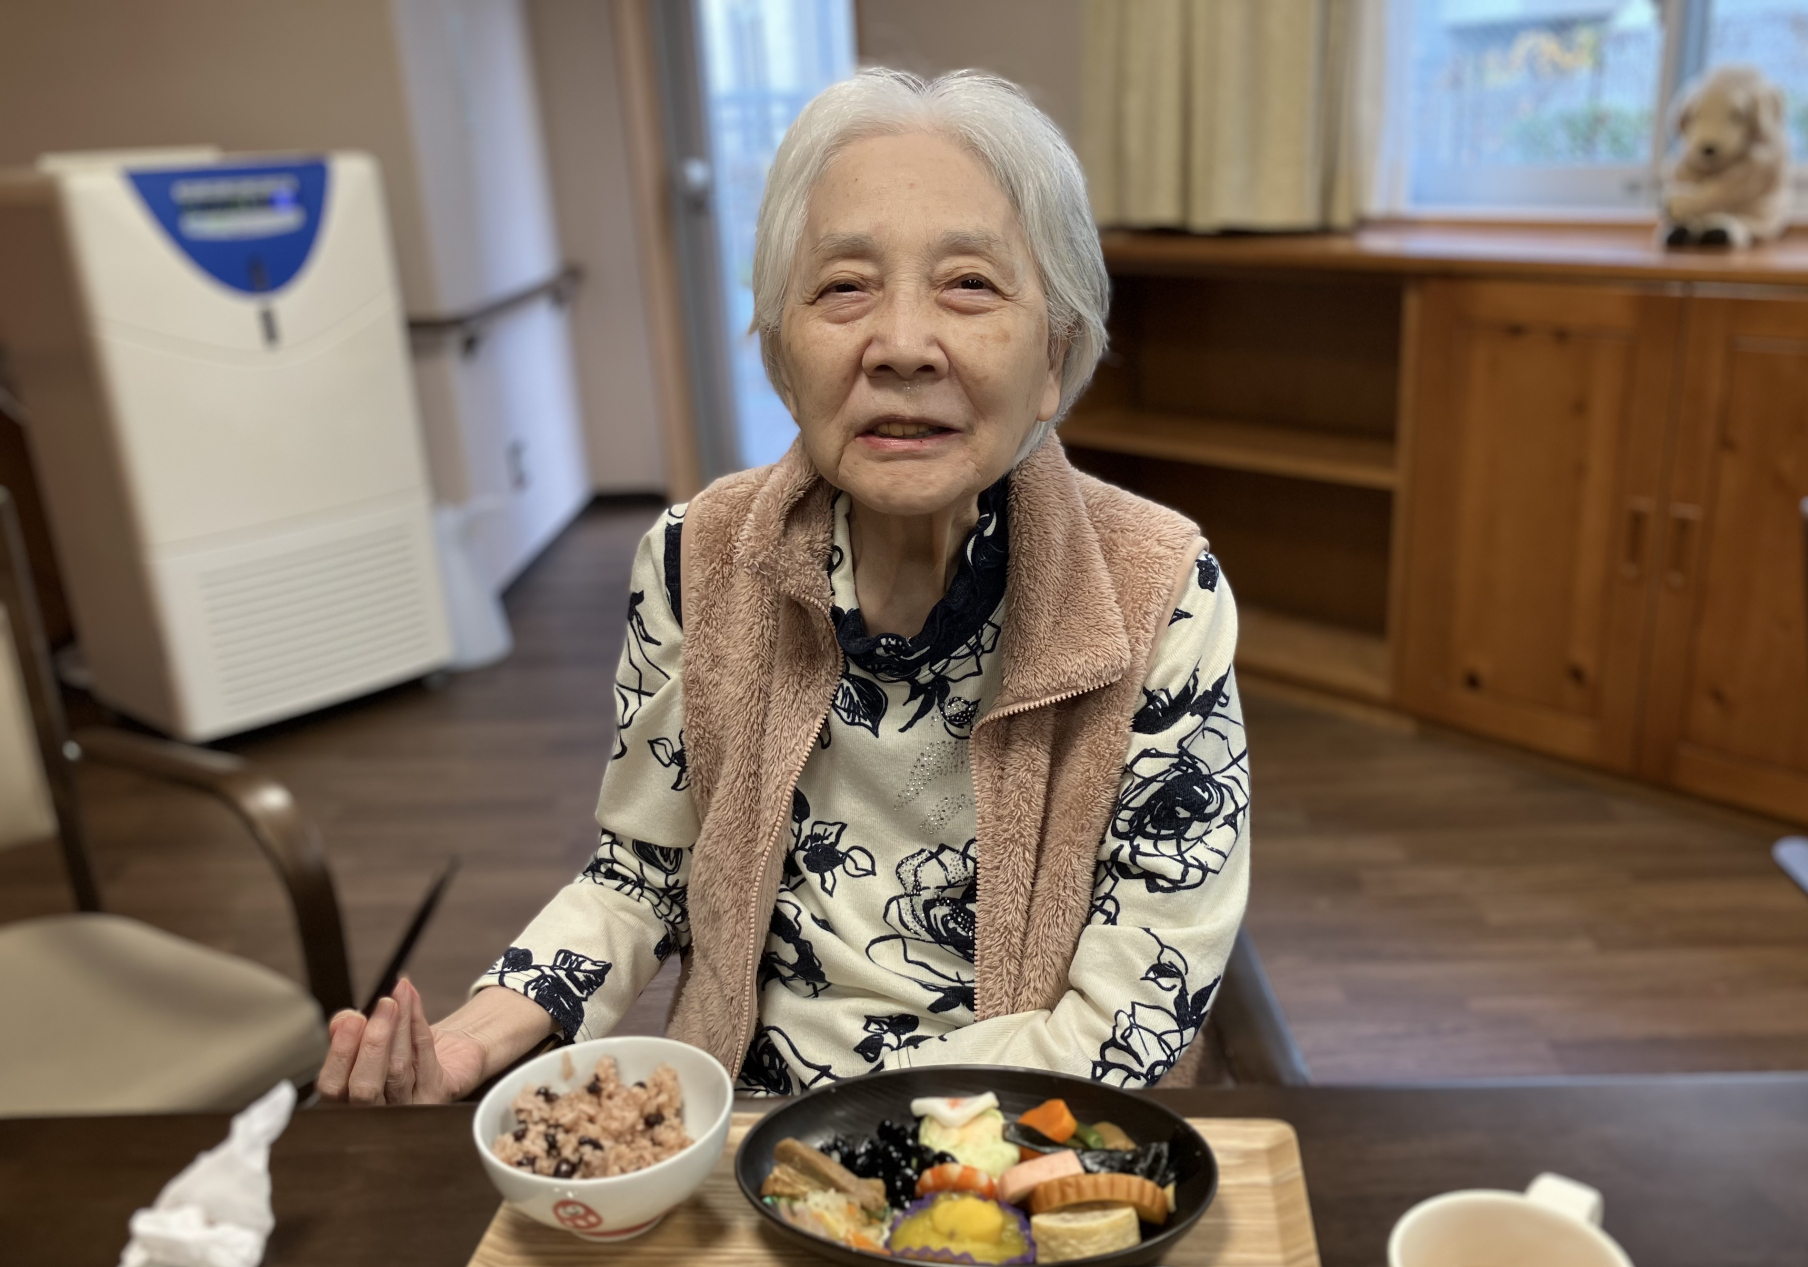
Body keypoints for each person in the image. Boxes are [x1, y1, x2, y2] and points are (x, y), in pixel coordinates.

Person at [318, 68, 1249, 1106]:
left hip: (1017, 1136)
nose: (902, 347)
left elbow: (1134, 1009)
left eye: (969, 285)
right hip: (740, 1121)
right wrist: (471, 1039)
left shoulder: (1159, 588)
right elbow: (643, 876)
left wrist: (846, 1131)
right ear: (780, 356)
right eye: (843, 287)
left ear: (1053, 356)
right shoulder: (697, 557)